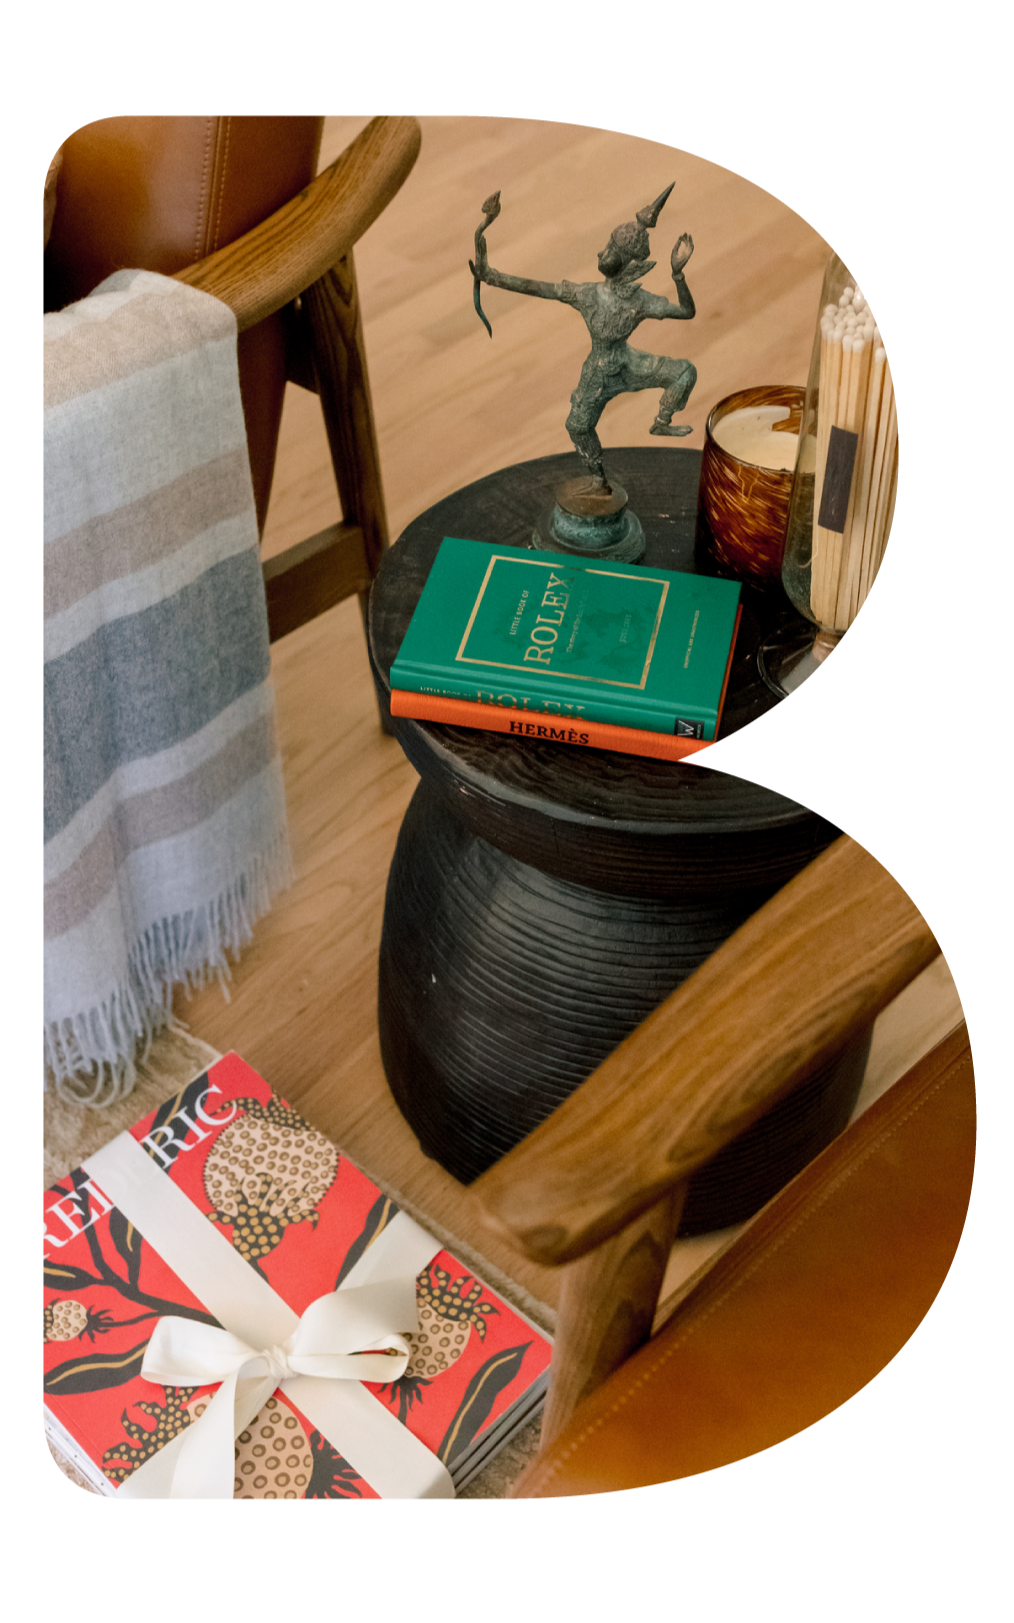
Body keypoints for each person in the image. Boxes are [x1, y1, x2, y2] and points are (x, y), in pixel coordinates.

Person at [471, 184, 697, 484]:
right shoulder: (586, 294)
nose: (604, 252)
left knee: (685, 372)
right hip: (598, 375)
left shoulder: (640, 301)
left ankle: (662, 422)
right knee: (577, 427)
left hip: (630, 365)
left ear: (629, 262)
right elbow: (539, 287)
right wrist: (492, 276)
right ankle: (599, 479)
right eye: (609, 246)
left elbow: (686, 311)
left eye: (613, 250)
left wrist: (678, 275)